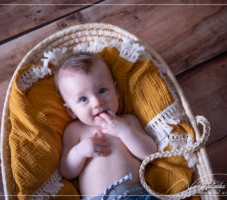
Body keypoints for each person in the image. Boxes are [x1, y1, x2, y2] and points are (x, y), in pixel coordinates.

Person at [54, 52, 157, 200]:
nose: (96, 102)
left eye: (102, 91)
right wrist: (79, 151)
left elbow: (149, 153)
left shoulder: (128, 121)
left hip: (136, 194)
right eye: (83, 99)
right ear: (71, 111)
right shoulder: (75, 131)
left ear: (116, 92)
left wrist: (124, 131)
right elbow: (66, 171)